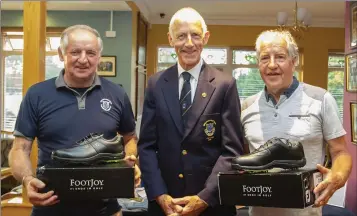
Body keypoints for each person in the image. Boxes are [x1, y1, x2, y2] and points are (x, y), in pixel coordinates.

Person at [8, 25, 141, 216]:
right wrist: (28, 180)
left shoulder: (117, 94)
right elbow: (19, 149)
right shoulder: (36, 94)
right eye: (75, 52)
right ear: (61, 54)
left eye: (91, 52)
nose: (83, 59)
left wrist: (130, 160)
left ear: (99, 56)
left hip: (106, 209)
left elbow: (129, 138)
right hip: (50, 206)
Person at [138, 7, 244, 216]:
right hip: (166, 205)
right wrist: (159, 194)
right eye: (181, 36)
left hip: (213, 204)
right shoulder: (155, 84)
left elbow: (232, 151)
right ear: (170, 39)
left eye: (195, 35)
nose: (188, 43)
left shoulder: (225, 85)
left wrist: (205, 198)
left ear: (205, 38)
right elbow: (147, 146)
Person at [241, 29, 352, 216]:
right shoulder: (246, 106)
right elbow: (244, 157)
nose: (272, 65)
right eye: (265, 58)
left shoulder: (321, 99)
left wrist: (338, 175)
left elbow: (341, 152)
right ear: (258, 64)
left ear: (294, 62)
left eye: (280, 57)